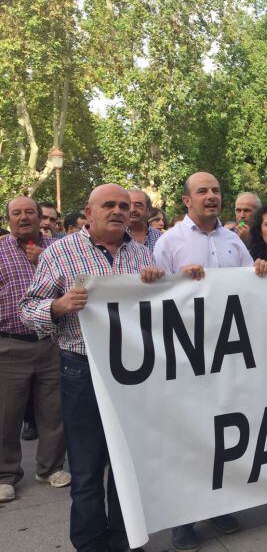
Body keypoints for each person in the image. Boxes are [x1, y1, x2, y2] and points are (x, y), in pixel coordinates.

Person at [19, 184, 165, 551]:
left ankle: (124, 538)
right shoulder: (61, 253)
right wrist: (58, 306)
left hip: (133, 374)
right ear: (88, 210)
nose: (118, 211)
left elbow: (159, 308)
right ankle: (89, 544)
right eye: (109, 205)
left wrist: (156, 283)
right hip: (81, 371)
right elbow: (28, 308)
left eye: (124, 206)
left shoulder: (142, 253)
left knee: (127, 466)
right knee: (86, 469)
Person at [153, 172, 252, 551]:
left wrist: (262, 269)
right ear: (186, 201)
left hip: (231, 354)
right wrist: (176, 280)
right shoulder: (169, 242)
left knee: (225, 432)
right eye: (202, 191)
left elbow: (250, 286)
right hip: (188, 355)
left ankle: (219, 506)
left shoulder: (232, 240)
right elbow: (153, 292)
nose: (211, 196)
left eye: (215, 190)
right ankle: (183, 519)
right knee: (189, 436)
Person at [0, 197, 69, 504]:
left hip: (52, 342)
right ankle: (5, 474)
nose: (24, 217)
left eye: (30, 212)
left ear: (41, 218)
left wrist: (43, 259)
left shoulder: (57, 250)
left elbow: (75, 289)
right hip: (11, 344)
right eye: (17, 213)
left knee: (53, 412)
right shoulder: (1, 250)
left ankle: (50, 468)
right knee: (7, 414)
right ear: (8, 219)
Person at [127, 189, 163, 254]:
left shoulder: (162, 239)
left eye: (138, 205)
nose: (132, 210)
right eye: (128, 205)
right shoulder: (114, 238)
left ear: (148, 210)